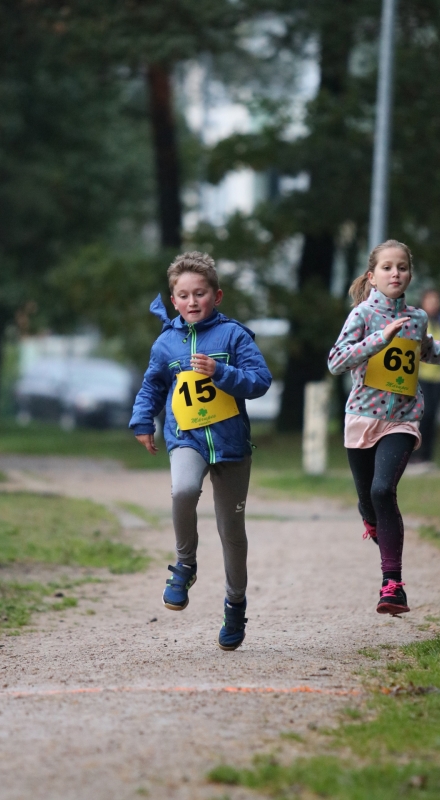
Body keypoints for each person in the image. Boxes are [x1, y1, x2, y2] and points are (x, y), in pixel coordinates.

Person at [328, 239, 440, 615]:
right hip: (362, 419)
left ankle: (392, 585)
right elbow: (336, 362)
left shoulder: (417, 319)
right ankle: (370, 520)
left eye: (401, 267)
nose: (395, 273)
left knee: (384, 490)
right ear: (372, 276)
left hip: (402, 418)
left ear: (410, 275)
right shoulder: (362, 316)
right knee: (369, 500)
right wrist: (378, 339)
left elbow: (433, 350)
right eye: (387, 267)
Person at [130, 251, 272, 650]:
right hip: (186, 438)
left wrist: (221, 372)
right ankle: (185, 566)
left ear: (217, 295)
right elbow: (152, 387)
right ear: (173, 300)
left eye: (201, 294)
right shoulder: (165, 343)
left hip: (231, 445)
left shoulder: (233, 336)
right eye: (184, 295)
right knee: (183, 491)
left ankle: (235, 604)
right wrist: (143, 421)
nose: (193, 302)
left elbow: (261, 382)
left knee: (232, 533)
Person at [409, 289, 440, 470]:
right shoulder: (416, 320)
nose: (433, 304)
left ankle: (427, 457)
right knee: (421, 415)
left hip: (438, 378)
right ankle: (414, 456)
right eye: (430, 300)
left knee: (432, 418)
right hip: (419, 377)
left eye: (436, 300)